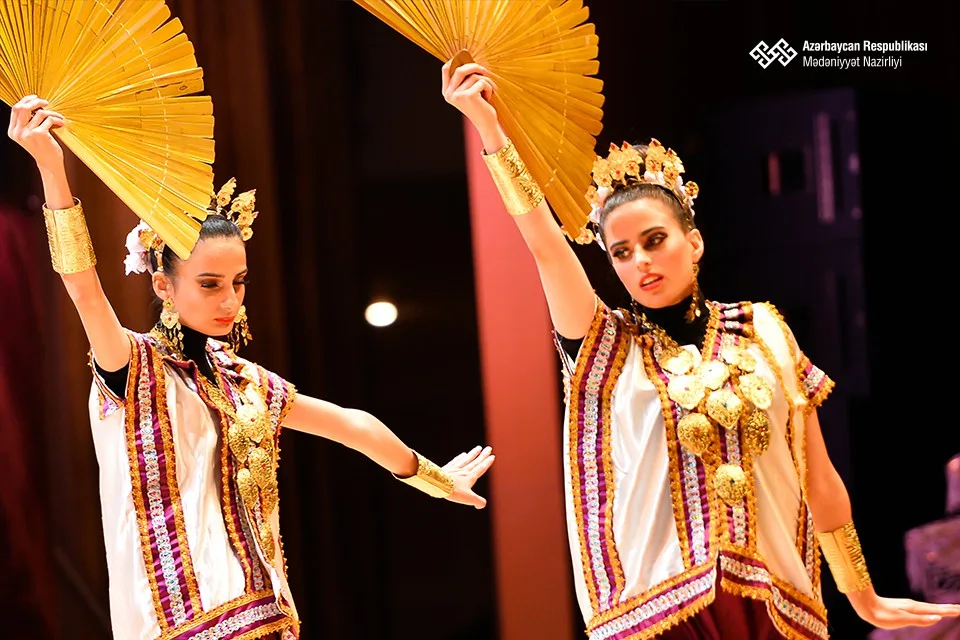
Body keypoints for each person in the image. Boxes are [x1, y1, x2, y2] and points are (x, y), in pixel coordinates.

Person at [440, 60, 960, 639]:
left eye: (654, 240)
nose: (639, 261)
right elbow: (543, 245)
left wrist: (862, 595)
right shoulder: (605, 344)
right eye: (620, 252)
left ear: (695, 242)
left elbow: (818, 475)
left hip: (771, 602)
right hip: (658, 610)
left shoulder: (763, 329)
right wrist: (490, 130)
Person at [6, 94, 495, 640]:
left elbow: (352, 424)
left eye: (238, 283)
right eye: (210, 284)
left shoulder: (246, 383)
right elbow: (82, 287)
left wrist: (430, 477)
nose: (228, 300)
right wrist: (51, 166)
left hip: (264, 616)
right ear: (163, 284)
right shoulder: (135, 366)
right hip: (180, 624)